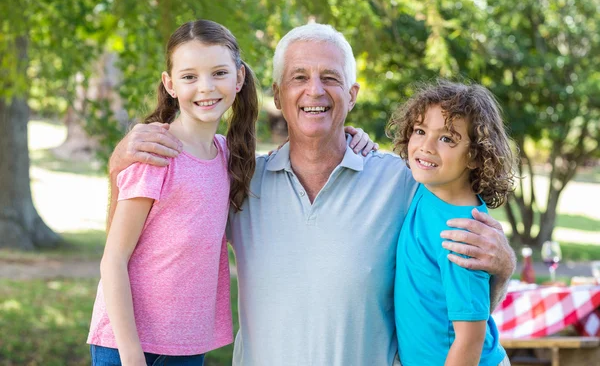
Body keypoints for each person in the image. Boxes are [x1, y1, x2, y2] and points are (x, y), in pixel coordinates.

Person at [108, 23, 516, 366]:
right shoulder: (238, 178)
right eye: (299, 77)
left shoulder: (403, 182)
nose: (315, 91)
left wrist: (503, 264)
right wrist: (117, 168)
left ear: (352, 95)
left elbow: (456, 286)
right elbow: (136, 246)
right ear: (278, 94)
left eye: (330, 78)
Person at [87, 19, 260, 366]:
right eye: (190, 76)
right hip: (132, 347)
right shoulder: (155, 154)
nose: (206, 87)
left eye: (219, 73)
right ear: (170, 84)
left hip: (188, 346)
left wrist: (348, 137)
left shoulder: (229, 155)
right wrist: (131, 356)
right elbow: (114, 259)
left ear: (239, 78)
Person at [388, 81, 514, 366]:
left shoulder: (464, 235)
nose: (426, 147)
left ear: (474, 155)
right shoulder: (429, 188)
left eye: (446, 139)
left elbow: (469, 338)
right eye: (420, 131)